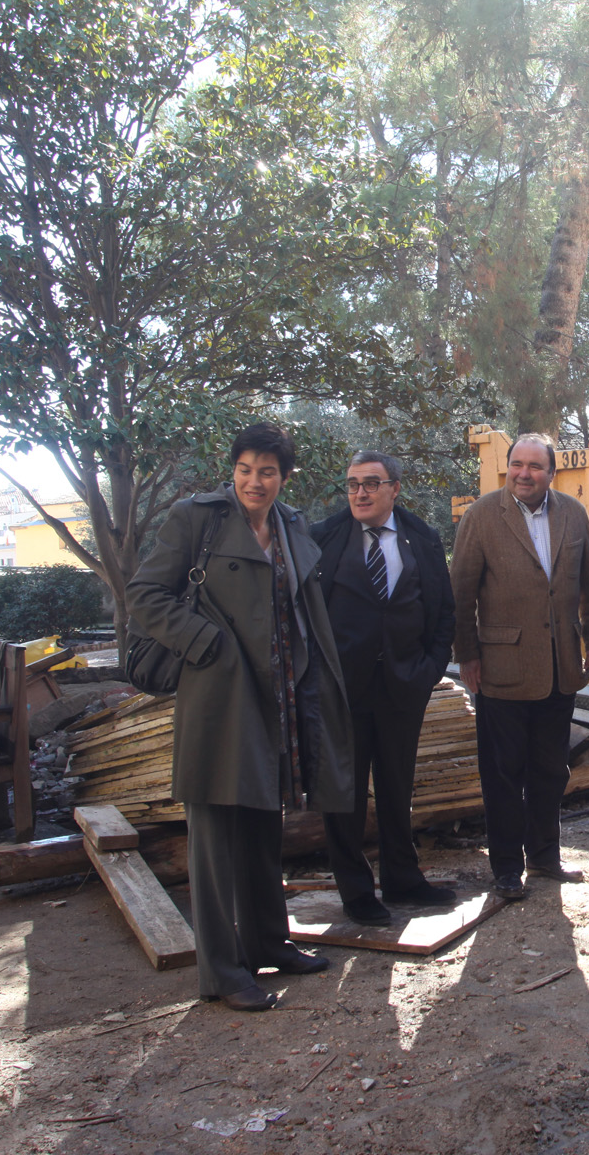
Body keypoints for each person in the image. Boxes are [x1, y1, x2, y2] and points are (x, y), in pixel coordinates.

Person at [126, 422, 352, 1011]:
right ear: (233, 471)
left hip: (280, 698)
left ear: (284, 477)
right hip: (219, 696)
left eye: (268, 472)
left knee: (262, 826)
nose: (255, 481)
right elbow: (144, 594)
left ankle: (269, 942)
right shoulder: (196, 519)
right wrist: (206, 644)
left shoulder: (291, 525)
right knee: (214, 837)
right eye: (246, 469)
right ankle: (223, 972)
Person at [451, 433, 589, 900]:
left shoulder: (573, 514)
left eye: (535, 466)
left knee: (551, 770)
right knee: (503, 775)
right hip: (500, 670)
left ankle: (544, 857)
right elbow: (460, 595)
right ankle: (505, 868)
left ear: (551, 473)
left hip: (560, 668)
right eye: (517, 464)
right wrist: (467, 656)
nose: (524, 473)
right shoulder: (482, 516)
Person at [311, 451, 457, 924]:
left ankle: (402, 878)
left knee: (397, 788)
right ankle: (356, 891)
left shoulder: (423, 538)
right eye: (353, 484)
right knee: (345, 795)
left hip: (403, 685)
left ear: (395, 488)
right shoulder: (322, 537)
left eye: (371, 483)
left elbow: (443, 610)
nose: (360, 493)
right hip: (342, 690)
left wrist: (429, 669)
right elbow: (305, 613)